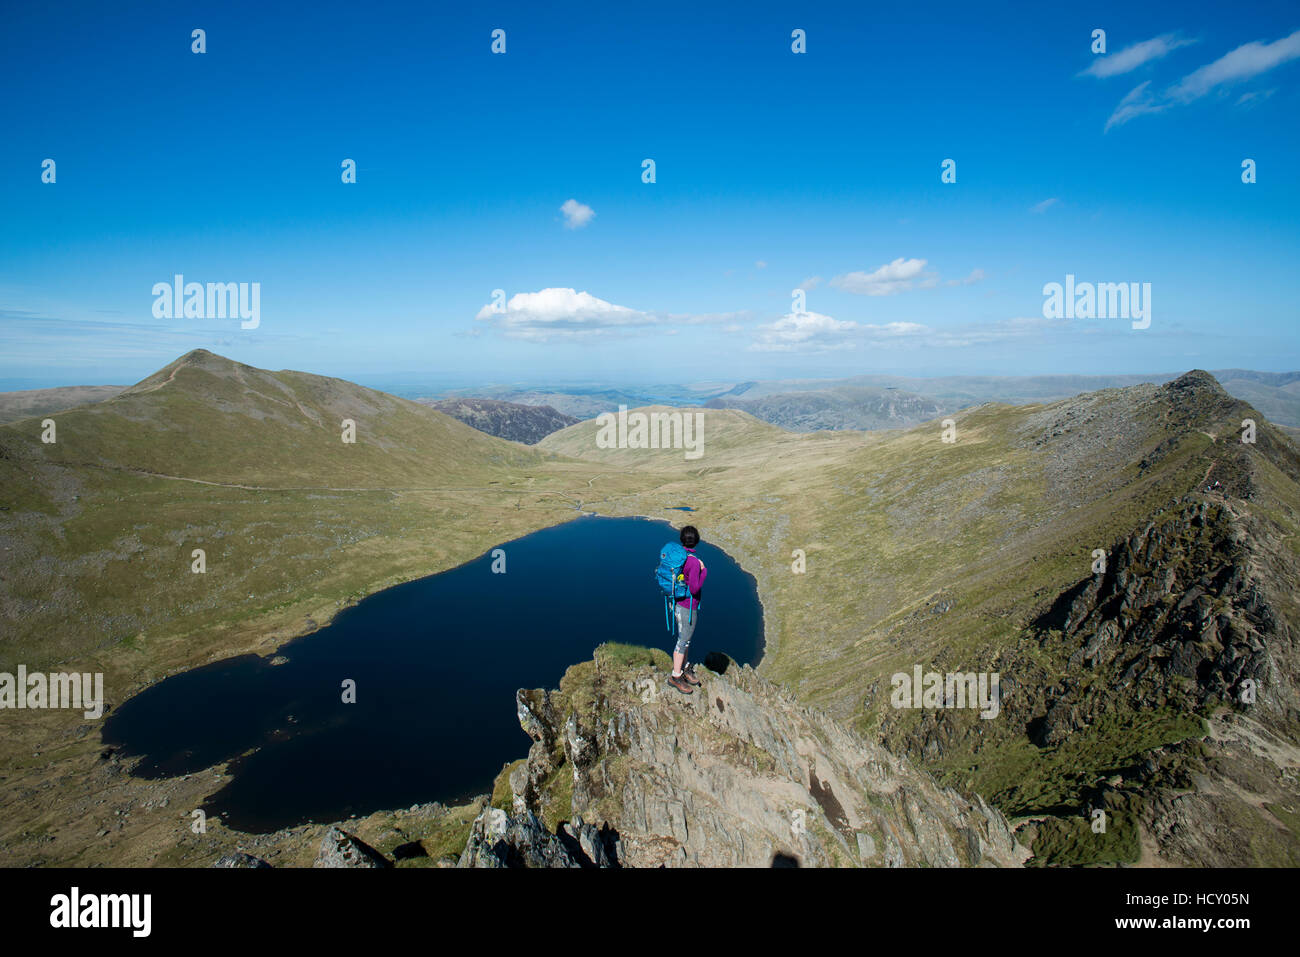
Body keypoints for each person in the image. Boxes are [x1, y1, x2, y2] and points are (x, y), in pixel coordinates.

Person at [667, 525, 707, 695]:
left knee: (686, 639)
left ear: (682, 540)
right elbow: (695, 588)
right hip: (687, 607)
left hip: (678, 604)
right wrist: (704, 571)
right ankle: (676, 676)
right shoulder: (693, 561)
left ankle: (684, 669)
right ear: (696, 541)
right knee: (683, 641)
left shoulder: (680, 557)